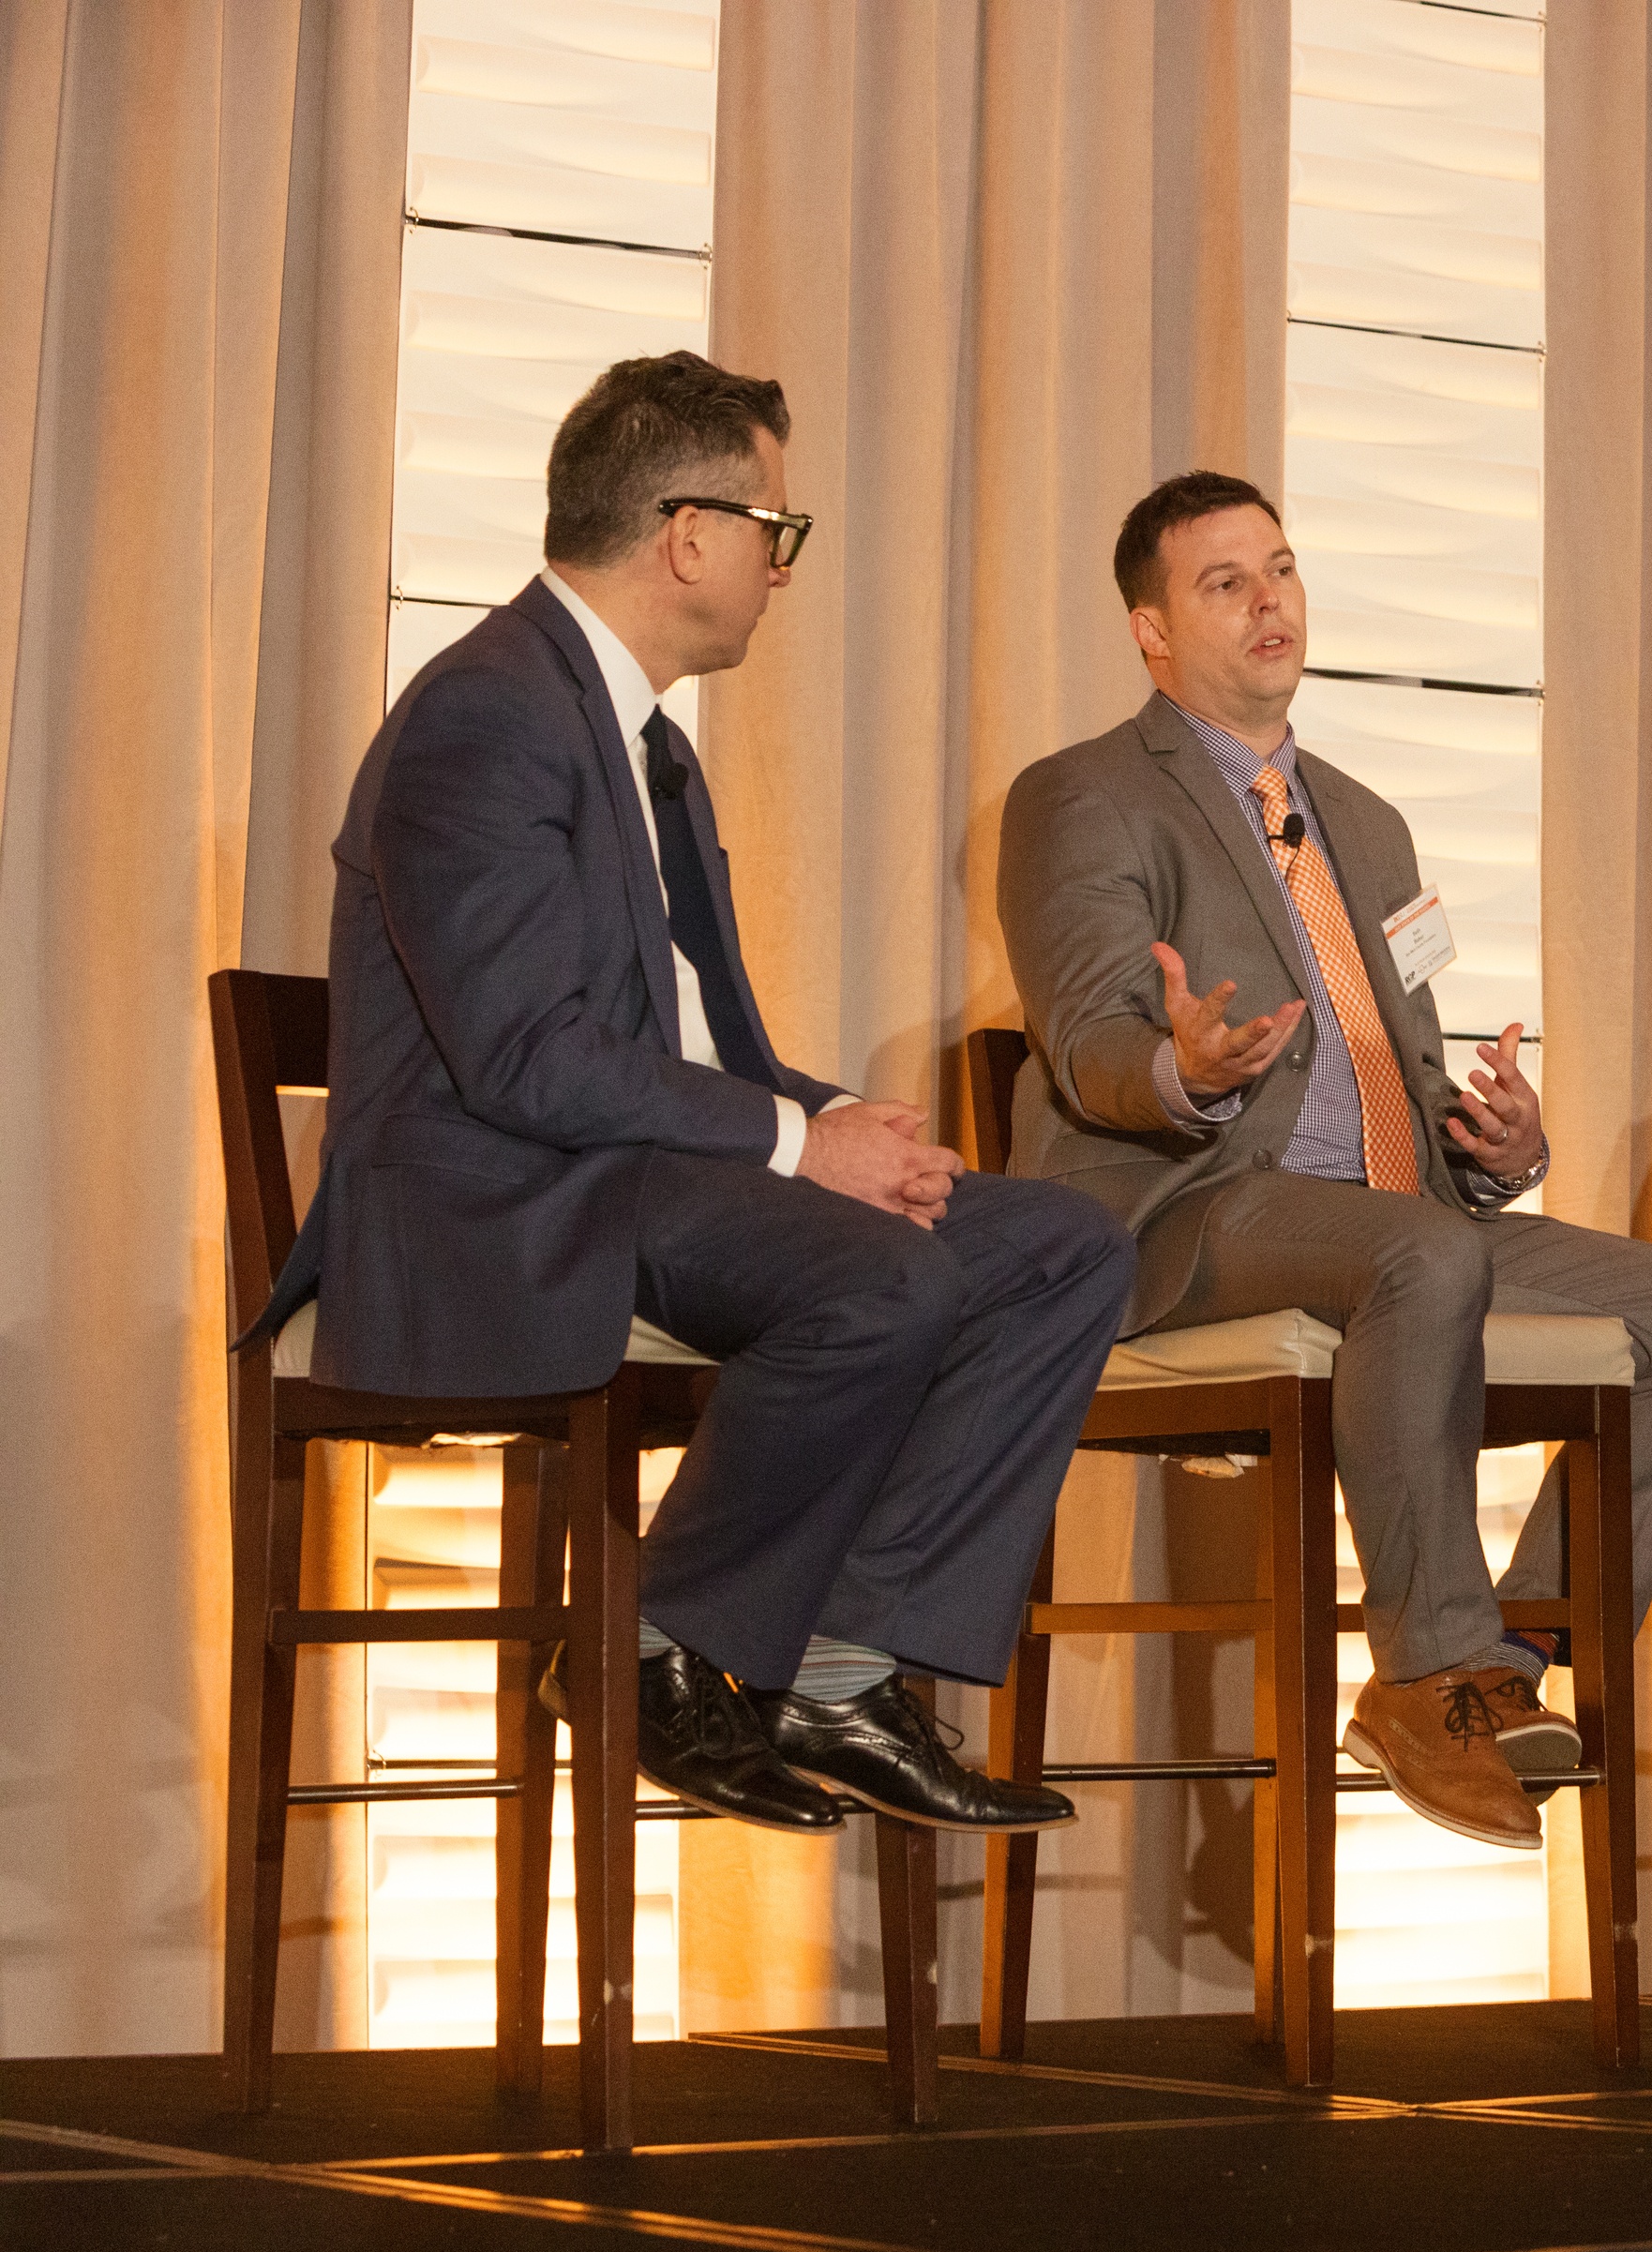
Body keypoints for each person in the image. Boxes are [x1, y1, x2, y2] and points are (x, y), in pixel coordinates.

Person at [250, 353, 1129, 1836]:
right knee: (880, 1282)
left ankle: (840, 1674)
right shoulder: (485, 712)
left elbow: (691, 1041)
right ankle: (640, 1653)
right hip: (504, 1192)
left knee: (1056, 1247)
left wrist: (841, 1124)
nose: (784, 569)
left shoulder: (641, 740)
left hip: (632, 1165)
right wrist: (801, 1147)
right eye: (776, 530)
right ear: (689, 532)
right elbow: (523, 1058)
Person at [995, 471, 1652, 1853]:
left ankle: (1511, 1656)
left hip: (1409, 1217)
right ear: (1153, 632)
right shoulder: (1085, 796)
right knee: (1420, 1252)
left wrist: (1498, 1147)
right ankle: (1423, 1674)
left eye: (1280, 569)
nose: (1269, 601)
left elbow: (1407, 1060)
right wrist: (1188, 1067)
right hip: (1191, 1208)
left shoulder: (1365, 820)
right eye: (1223, 582)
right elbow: (1087, 1041)